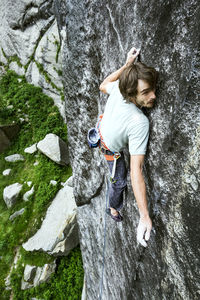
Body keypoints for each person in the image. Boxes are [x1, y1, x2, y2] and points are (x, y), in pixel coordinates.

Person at [98, 47, 158, 247]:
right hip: (110, 150)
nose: (153, 96)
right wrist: (144, 216)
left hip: (102, 130)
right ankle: (113, 208)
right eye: (146, 92)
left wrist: (127, 65)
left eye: (153, 89)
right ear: (131, 93)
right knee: (118, 183)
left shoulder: (118, 89)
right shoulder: (139, 122)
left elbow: (104, 85)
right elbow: (136, 171)